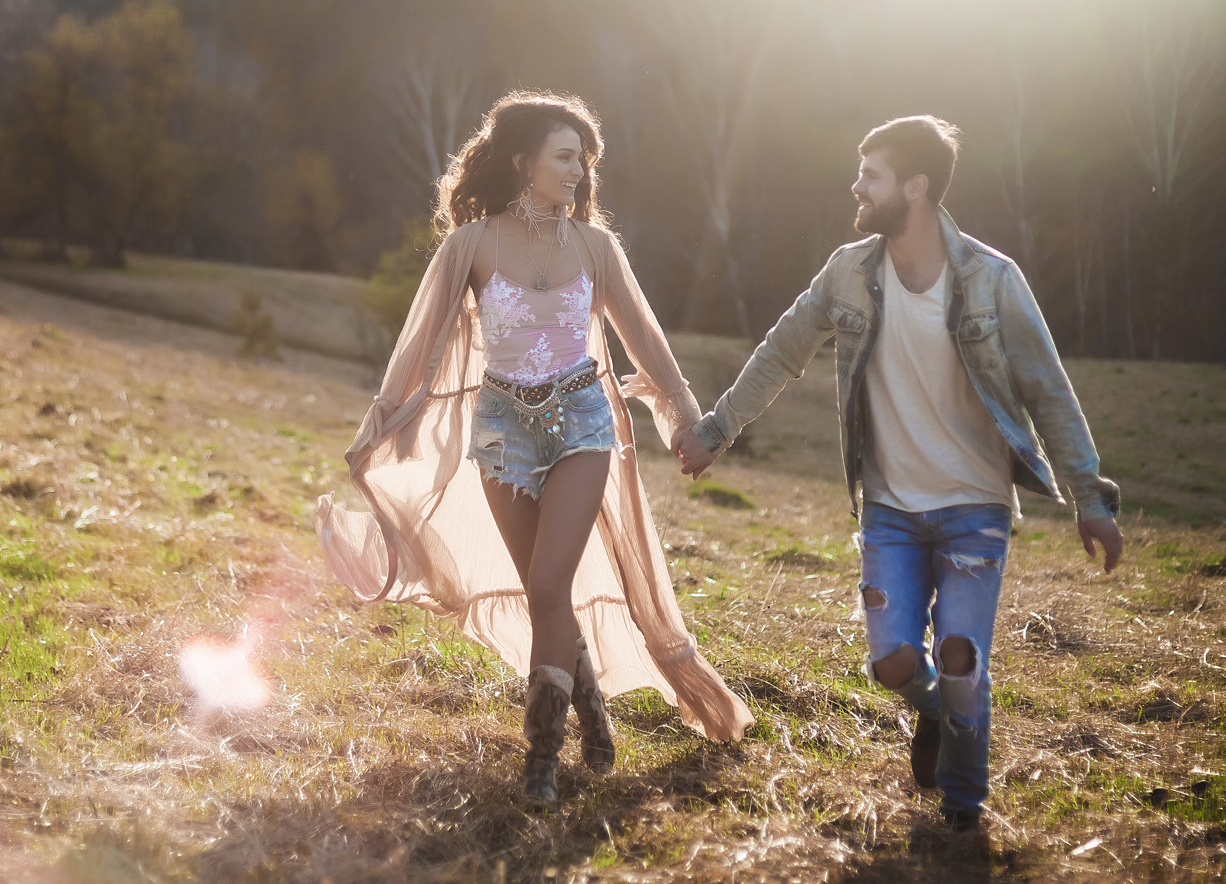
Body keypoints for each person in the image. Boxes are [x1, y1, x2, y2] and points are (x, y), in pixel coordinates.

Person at [670, 115, 1121, 830]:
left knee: (964, 660)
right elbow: (783, 349)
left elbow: (1049, 391)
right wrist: (716, 429)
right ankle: (941, 713)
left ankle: (963, 815)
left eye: (870, 176)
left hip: (975, 506)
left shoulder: (993, 280)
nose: (856, 187)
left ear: (915, 187)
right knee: (893, 665)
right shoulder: (848, 271)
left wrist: (1091, 498)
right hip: (889, 508)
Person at [317, 91, 751, 805]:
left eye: (584, 158)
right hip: (501, 434)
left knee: (549, 584)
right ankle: (590, 707)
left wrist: (686, 417)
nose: (579, 170)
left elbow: (650, 346)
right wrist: (382, 423)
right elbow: (418, 346)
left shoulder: (596, 247)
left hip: (582, 424)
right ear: (524, 161)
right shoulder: (471, 244)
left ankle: (542, 758)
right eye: (565, 156)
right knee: (544, 593)